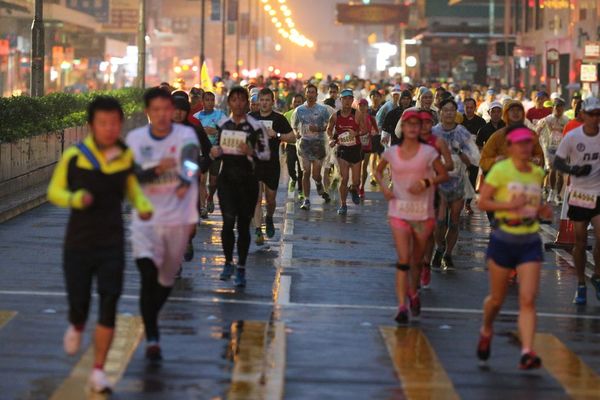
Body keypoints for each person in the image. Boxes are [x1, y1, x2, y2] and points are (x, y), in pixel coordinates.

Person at [47, 97, 153, 393]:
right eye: (103, 123)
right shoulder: (75, 156)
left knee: (109, 302)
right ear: (91, 125)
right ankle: (77, 323)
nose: (109, 129)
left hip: (112, 243)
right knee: (79, 302)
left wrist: (144, 206)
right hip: (78, 244)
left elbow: (132, 190)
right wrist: (74, 199)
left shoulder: (124, 156)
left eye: (114, 123)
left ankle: (98, 370)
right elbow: (54, 191)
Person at [127, 88, 200, 361]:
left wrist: (185, 179)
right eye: (154, 109)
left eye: (165, 109)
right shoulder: (136, 139)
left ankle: (151, 318)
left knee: (166, 281)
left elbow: (192, 164)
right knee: (148, 278)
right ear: (148, 112)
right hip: (146, 222)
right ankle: (152, 337)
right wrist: (157, 169)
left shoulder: (185, 136)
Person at [476, 125, 552, 370]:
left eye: (528, 143)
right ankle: (487, 328)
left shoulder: (537, 173)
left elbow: (534, 203)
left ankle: (527, 351)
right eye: (519, 143)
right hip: (503, 239)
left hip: (529, 240)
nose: (525, 147)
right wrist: (509, 206)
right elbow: (482, 202)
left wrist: (541, 209)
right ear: (509, 147)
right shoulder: (500, 170)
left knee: (528, 299)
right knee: (497, 300)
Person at [375, 109, 448, 323]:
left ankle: (413, 293)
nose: (413, 128)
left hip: (422, 213)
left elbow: (443, 174)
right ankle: (401, 307)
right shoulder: (392, 152)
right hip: (398, 211)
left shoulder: (429, 152)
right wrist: (384, 189)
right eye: (409, 124)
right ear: (403, 127)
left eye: (417, 124)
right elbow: (378, 171)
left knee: (417, 260)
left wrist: (426, 182)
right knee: (403, 259)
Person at [210, 86, 270, 287]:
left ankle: (242, 267)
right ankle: (228, 262)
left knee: (243, 226)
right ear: (229, 103)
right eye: (234, 100)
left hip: (247, 181)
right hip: (227, 179)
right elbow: (215, 148)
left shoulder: (255, 127)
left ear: (247, 102)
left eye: (241, 100)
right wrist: (214, 152)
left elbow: (266, 154)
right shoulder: (223, 125)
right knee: (228, 222)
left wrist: (251, 151)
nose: (238, 104)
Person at [553, 97, 600, 305]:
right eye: (591, 114)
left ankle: (597, 276)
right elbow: (557, 162)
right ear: (582, 115)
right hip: (580, 194)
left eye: (598, 114)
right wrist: (574, 170)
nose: (595, 118)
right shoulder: (573, 137)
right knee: (580, 242)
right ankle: (581, 283)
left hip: (598, 192)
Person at [431, 98, 480, 269]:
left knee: (454, 221)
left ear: (455, 113)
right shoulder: (433, 132)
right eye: (445, 110)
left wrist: (459, 152)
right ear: (440, 113)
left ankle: (448, 254)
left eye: (452, 110)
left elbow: (473, 159)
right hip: (439, 181)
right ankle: (439, 247)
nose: (449, 113)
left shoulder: (462, 132)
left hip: (458, 181)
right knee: (440, 221)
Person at [249, 88, 296, 244]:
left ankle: (269, 217)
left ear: (272, 102)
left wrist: (276, 135)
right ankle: (258, 231)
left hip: (271, 164)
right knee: (256, 199)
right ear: (258, 101)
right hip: (255, 164)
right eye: (262, 100)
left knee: (270, 200)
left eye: (267, 100)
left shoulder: (278, 118)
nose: (264, 103)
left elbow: (293, 138)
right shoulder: (251, 118)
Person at [291, 84, 332, 210]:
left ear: (316, 95)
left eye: (313, 92)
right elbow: (294, 125)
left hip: (318, 145)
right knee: (306, 171)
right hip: (304, 144)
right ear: (305, 94)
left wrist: (318, 128)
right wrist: (296, 133)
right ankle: (307, 199)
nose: (310, 94)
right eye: (308, 92)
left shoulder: (322, 110)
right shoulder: (299, 110)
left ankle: (319, 183)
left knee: (315, 175)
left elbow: (329, 125)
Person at [326, 89, 366, 215]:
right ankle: (343, 205)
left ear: (352, 100)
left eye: (350, 98)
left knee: (356, 181)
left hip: (355, 149)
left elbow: (364, 130)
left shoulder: (357, 114)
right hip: (342, 149)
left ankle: (353, 189)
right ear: (340, 100)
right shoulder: (335, 116)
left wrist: (356, 133)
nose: (347, 101)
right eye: (345, 99)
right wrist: (331, 139)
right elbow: (329, 130)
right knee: (344, 178)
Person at [194, 91, 228, 214]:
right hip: (202, 152)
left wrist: (216, 131)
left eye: (212, 100)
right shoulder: (196, 117)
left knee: (213, 181)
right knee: (202, 179)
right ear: (202, 102)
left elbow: (228, 130)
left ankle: (210, 197)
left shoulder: (220, 115)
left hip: (216, 151)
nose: (210, 102)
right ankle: (202, 207)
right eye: (207, 100)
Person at [536, 97, 569, 204]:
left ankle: (558, 195)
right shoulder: (547, 119)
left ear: (563, 108)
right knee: (552, 170)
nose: (558, 109)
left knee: (560, 173)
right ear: (553, 108)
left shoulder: (566, 120)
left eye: (561, 107)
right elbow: (537, 131)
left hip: (562, 148)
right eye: (556, 107)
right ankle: (552, 191)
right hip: (550, 149)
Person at [461, 98, 487, 214]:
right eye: (467, 107)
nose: (469, 110)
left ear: (475, 108)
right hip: (460, 154)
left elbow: (485, 140)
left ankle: (467, 203)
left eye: (471, 107)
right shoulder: (459, 120)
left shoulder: (481, 122)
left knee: (472, 179)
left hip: (474, 154)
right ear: (464, 107)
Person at [284, 94, 305, 198]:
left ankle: (301, 191)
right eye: (295, 102)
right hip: (290, 145)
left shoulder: (306, 114)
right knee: (290, 167)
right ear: (291, 104)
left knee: (301, 170)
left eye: (299, 102)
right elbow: (282, 130)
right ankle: (293, 178)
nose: (297, 103)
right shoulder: (287, 115)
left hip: (303, 146)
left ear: (302, 103)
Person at [358, 98, 379, 198]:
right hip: (357, 145)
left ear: (367, 107)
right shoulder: (355, 117)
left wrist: (372, 134)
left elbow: (377, 130)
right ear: (358, 106)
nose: (362, 107)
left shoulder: (370, 117)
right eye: (360, 105)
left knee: (364, 166)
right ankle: (356, 185)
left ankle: (362, 187)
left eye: (364, 105)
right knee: (357, 167)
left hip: (367, 145)